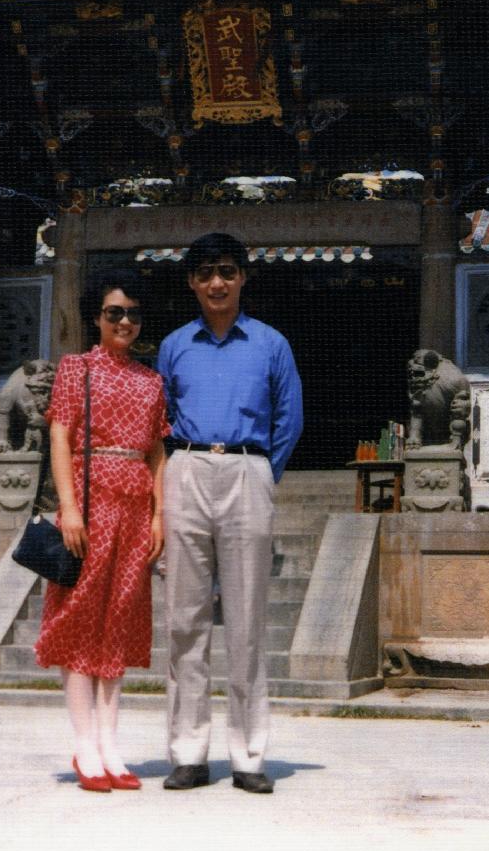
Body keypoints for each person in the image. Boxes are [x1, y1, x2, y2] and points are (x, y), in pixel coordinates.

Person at [156, 233, 303, 794]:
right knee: (184, 619)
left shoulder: (271, 345)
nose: (216, 283)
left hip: (248, 468)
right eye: (204, 274)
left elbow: (288, 418)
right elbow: (161, 415)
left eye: (226, 271)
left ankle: (248, 756)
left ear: (243, 277)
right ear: (191, 283)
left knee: (245, 620)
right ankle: (189, 752)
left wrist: (261, 473)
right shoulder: (174, 346)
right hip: (187, 468)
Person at [35, 269, 169, 792]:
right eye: (115, 313)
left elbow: (158, 451)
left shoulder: (151, 380)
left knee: (120, 621)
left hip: (135, 509)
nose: (126, 322)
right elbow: (60, 436)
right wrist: (68, 508)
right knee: (79, 619)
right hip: (89, 507)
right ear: (97, 317)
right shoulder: (77, 369)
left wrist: (161, 514)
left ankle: (112, 746)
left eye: (134, 313)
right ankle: (85, 744)